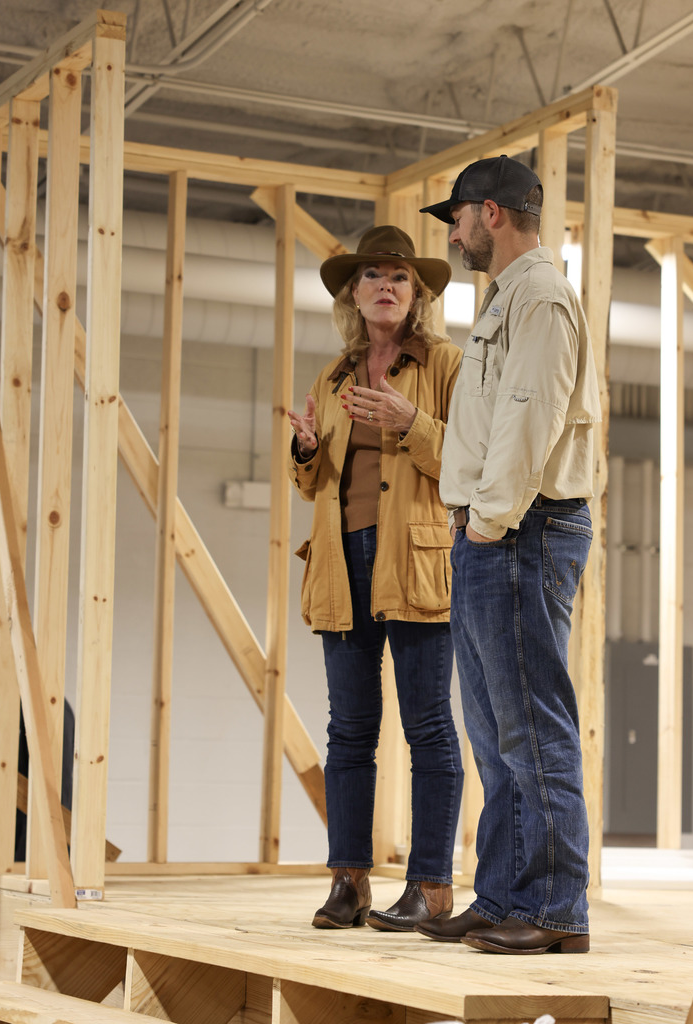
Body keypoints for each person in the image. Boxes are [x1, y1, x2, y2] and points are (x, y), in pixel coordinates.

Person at [415, 155, 601, 954]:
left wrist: (488, 518)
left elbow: (530, 414)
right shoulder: (508, 299)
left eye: (455, 217)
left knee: (531, 724)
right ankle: (503, 895)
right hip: (496, 530)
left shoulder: (540, 297)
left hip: (521, 528)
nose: (453, 233)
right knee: (495, 731)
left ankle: (557, 911)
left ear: (489, 212)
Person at [288, 225, 465, 932]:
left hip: (416, 559)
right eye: (371, 277)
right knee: (349, 731)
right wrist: (305, 451)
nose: (385, 286)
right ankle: (348, 881)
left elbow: (470, 464)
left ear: (416, 293)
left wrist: (411, 421)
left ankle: (430, 886)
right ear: (353, 296)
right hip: (340, 563)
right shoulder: (330, 378)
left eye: (398, 276)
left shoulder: (447, 365)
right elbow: (315, 486)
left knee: (428, 728)